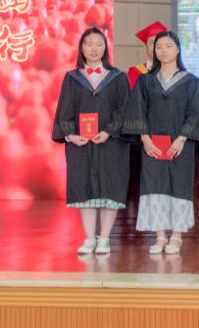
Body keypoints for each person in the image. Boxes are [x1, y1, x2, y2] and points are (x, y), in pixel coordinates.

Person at [124, 30, 199, 255]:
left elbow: (196, 113)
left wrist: (181, 139)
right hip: (152, 144)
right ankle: (160, 236)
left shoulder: (191, 82)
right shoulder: (145, 80)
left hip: (181, 145)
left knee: (179, 186)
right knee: (154, 186)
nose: (163, 51)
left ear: (178, 49)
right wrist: (145, 138)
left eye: (169, 46)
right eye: (159, 47)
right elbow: (137, 110)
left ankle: (177, 236)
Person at [52, 27, 131, 255]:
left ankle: (104, 238)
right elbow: (64, 111)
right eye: (89, 44)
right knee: (85, 190)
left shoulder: (118, 77)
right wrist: (70, 135)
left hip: (111, 143)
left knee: (109, 191)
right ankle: (89, 238)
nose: (94, 49)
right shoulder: (72, 78)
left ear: (105, 47)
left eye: (99, 44)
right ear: (82, 48)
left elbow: (123, 110)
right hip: (81, 145)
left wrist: (109, 131)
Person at [128, 21, 167, 89]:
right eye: (152, 42)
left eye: (159, 42)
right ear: (146, 47)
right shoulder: (135, 72)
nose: (156, 46)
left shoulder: (175, 72)